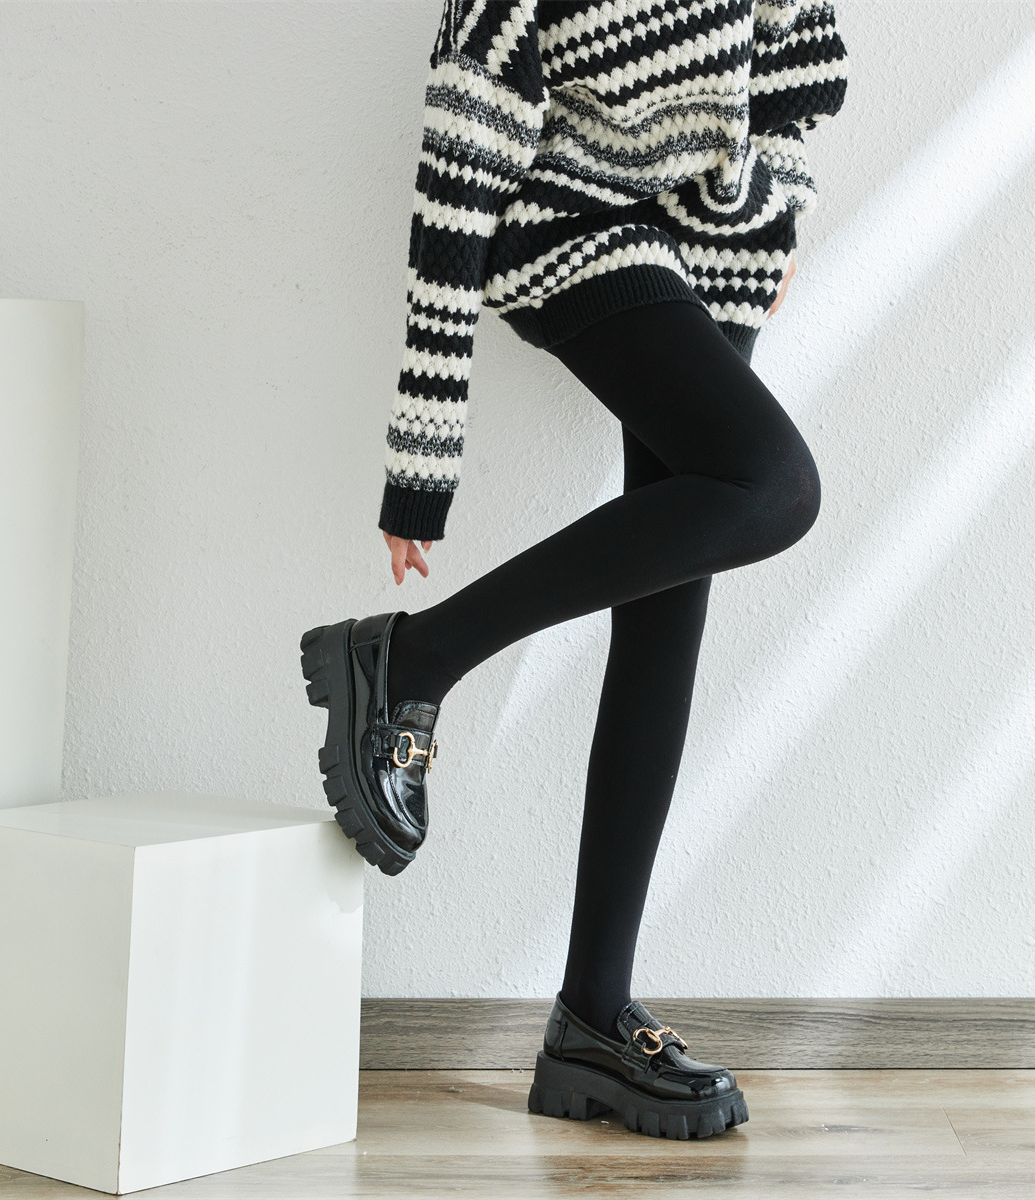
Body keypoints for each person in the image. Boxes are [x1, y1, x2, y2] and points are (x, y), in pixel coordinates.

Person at [301, 0, 847, 1141]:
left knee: (667, 607)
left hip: (715, 242)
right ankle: (413, 657)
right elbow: (458, 179)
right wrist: (421, 463)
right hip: (567, 228)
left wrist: (777, 214)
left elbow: (797, 73)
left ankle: (592, 1021)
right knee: (774, 486)